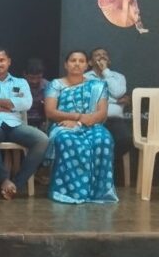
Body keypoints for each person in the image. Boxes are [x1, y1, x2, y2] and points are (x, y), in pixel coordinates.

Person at [0, 48, 48, 199]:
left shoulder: (20, 83)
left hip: (15, 126)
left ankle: (15, 184)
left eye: (2, 60)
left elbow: (26, 103)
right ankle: (4, 179)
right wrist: (9, 105)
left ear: (9, 62)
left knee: (42, 140)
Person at [44, 51, 118, 204]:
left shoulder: (97, 85)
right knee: (67, 140)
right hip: (63, 125)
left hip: (91, 125)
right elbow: (50, 112)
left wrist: (80, 122)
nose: (77, 64)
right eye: (73, 60)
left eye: (81, 61)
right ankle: (70, 192)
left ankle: (99, 193)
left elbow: (102, 114)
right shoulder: (56, 85)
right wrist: (76, 117)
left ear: (86, 65)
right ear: (66, 65)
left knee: (103, 139)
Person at [85, 48, 134, 162]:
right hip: (94, 119)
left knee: (125, 139)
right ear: (90, 62)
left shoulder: (119, 77)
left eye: (104, 54)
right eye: (97, 55)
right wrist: (115, 101)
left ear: (109, 60)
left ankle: (107, 163)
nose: (102, 56)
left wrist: (105, 72)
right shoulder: (85, 78)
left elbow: (117, 92)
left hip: (115, 120)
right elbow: (92, 99)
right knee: (95, 141)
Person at [23, 58, 50, 131]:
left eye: (38, 78)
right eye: (31, 78)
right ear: (25, 74)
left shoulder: (48, 86)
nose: (35, 81)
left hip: (42, 121)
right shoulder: (17, 86)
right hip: (23, 121)